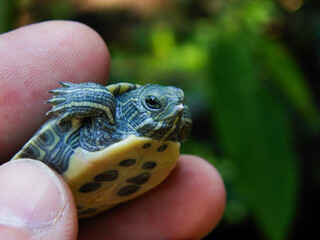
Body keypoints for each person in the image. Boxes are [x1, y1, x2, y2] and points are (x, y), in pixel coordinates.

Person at [0, 21, 225, 239]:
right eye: (154, 103)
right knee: (103, 99)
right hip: (48, 174)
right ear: (136, 104)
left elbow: (180, 117)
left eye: (178, 101)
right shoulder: (108, 113)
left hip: (93, 210)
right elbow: (102, 100)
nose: (177, 107)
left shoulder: (171, 123)